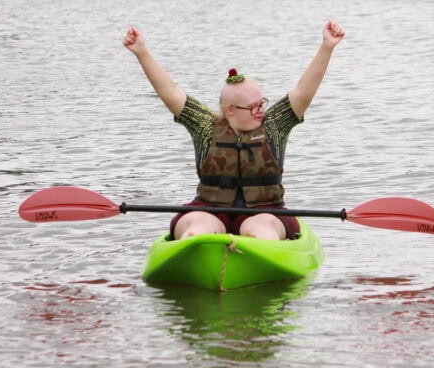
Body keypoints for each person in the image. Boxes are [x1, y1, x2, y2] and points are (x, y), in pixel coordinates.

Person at [122, 20, 345, 240]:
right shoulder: (205, 126)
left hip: (265, 211)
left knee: (259, 233)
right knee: (194, 231)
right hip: (210, 210)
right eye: (252, 107)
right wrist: (141, 52)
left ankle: (259, 250)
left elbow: (303, 91)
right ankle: (198, 248)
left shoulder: (275, 125)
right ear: (229, 110)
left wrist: (327, 47)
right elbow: (169, 91)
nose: (260, 111)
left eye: (261, 103)